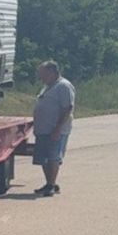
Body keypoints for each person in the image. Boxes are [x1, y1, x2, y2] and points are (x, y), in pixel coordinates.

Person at [31, 61, 75, 196]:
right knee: (44, 158)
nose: (41, 77)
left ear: (52, 72)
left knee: (53, 157)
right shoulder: (47, 86)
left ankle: (52, 184)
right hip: (43, 129)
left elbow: (67, 108)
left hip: (55, 129)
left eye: (43, 74)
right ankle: (49, 183)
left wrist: (58, 128)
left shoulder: (63, 86)